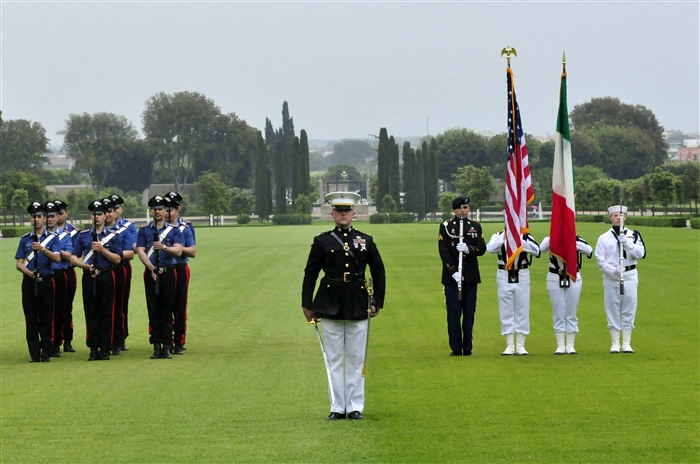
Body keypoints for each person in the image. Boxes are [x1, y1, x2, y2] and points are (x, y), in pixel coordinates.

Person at [301, 192, 385, 420]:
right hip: (329, 304)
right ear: (332, 214)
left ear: (354, 213)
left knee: (357, 359)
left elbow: (378, 271)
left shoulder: (365, 240)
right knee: (334, 360)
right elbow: (310, 273)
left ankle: (355, 406)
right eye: (339, 211)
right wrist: (306, 304)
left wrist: (377, 300)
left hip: (358, 304)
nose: (343, 215)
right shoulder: (322, 241)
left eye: (347, 211)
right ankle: (338, 407)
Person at [71, 200, 123, 361]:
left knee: (106, 312)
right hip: (90, 276)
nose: (97, 217)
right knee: (91, 312)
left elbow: (117, 259)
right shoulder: (83, 236)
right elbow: (73, 257)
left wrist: (102, 249)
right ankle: (93, 348)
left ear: (105, 216)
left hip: (107, 275)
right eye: (94, 214)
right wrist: (85, 266)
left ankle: (105, 347)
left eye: (99, 214)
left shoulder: (113, 236)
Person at [136, 195, 183, 359]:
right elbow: (140, 250)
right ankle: (156, 345)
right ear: (151, 211)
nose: (157, 212)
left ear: (165, 211)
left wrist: (164, 247)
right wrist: (149, 266)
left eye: (160, 209)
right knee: (153, 309)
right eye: (154, 210)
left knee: (167, 308)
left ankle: (167, 345)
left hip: (168, 272)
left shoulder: (174, 230)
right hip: (151, 272)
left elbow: (178, 251)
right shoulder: (144, 230)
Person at [438, 196, 486, 356]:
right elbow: (443, 251)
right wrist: (453, 272)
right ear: (454, 210)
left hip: (470, 276)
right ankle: (456, 347)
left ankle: (468, 347)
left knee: (469, 312)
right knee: (453, 313)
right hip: (452, 278)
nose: (463, 211)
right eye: (460, 208)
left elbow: (482, 248)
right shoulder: (446, 227)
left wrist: (469, 249)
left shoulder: (475, 226)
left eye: (465, 207)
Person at [595, 205, 646, 353]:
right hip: (612, 277)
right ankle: (615, 342)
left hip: (630, 275)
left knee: (629, 308)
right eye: (615, 215)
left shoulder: (634, 235)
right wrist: (614, 271)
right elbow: (600, 260)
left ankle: (627, 343)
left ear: (626, 217)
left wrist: (628, 244)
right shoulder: (603, 238)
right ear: (611, 217)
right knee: (612, 308)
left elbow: (641, 253)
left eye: (621, 215)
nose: (618, 217)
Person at [15, 202, 62, 362]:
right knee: (30, 318)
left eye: (40, 217)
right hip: (29, 282)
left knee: (46, 317)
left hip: (46, 281)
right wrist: (29, 273)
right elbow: (19, 263)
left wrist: (43, 249)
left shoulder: (53, 239)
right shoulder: (25, 240)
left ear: (44, 219)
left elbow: (57, 258)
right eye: (34, 217)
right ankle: (34, 353)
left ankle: (46, 352)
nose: (37, 220)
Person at [486, 228, 541, 355]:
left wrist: (518, 239)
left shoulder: (526, 236)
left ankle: (521, 345)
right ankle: (509, 345)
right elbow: (490, 248)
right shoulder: (498, 235)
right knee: (506, 310)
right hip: (504, 273)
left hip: (521, 272)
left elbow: (536, 251)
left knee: (522, 309)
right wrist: (505, 237)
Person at [539, 235, 593, 354]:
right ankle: (560, 345)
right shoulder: (549, 238)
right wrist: (556, 237)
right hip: (554, 276)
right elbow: (542, 248)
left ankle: (570, 345)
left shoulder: (577, 239)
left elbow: (589, 250)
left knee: (571, 312)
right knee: (558, 311)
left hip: (573, 276)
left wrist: (570, 242)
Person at [164, 194, 196, 355]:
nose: (168, 213)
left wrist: (177, 248)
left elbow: (192, 251)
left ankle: (179, 340)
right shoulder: (156, 228)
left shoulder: (185, 227)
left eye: (172, 209)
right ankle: (164, 339)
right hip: (163, 268)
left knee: (180, 305)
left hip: (180, 267)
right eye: (166, 209)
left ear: (178, 210)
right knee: (163, 305)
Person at [105, 194, 137, 351]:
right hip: (104, 268)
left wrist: (114, 254)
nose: (113, 212)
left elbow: (132, 250)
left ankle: (120, 337)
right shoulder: (100, 228)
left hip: (120, 267)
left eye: (116, 208)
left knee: (121, 303)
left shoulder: (128, 227)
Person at [44, 200, 75, 357]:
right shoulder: (40, 234)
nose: (50, 219)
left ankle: (63, 340)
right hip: (45, 274)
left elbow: (70, 255)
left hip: (61, 273)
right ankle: (48, 343)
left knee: (63, 309)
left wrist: (53, 250)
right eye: (47, 216)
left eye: (53, 216)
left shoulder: (65, 235)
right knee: (47, 310)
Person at [53, 199, 80, 353]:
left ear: (66, 214)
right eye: (55, 214)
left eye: (60, 213)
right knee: (53, 308)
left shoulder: (73, 232)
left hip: (67, 271)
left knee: (66, 307)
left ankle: (67, 340)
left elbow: (73, 255)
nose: (58, 216)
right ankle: (55, 340)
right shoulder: (47, 232)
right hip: (51, 271)